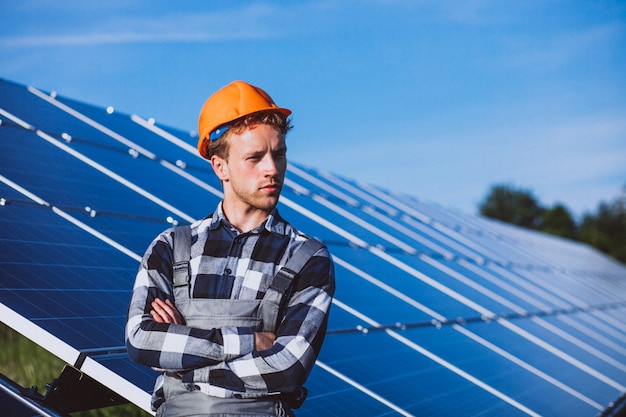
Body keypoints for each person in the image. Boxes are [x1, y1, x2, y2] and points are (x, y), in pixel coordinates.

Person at [126, 80, 335, 417]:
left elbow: (288, 366)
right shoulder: (171, 247)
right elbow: (141, 340)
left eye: (278, 154)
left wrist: (183, 366)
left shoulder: (307, 257)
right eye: (255, 157)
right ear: (220, 167)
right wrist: (252, 341)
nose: (272, 169)